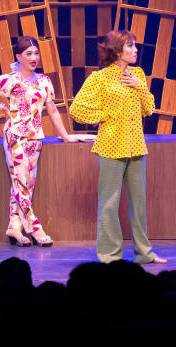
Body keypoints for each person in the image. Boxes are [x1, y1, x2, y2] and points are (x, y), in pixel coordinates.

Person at [70, 30, 166, 264]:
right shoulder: (100, 78)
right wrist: (104, 115)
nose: (135, 50)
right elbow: (77, 109)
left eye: (135, 45)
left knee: (139, 204)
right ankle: (110, 256)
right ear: (116, 50)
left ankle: (144, 254)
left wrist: (140, 87)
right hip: (111, 146)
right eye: (130, 45)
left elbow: (149, 109)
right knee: (109, 203)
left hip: (136, 147)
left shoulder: (138, 74)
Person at [0, 36, 76, 247]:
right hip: (15, 136)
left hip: (35, 136)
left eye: (36, 53)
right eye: (28, 53)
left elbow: (52, 110)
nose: (33, 57)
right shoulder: (9, 80)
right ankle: (35, 227)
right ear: (18, 56)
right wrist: (2, 107)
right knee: (21, 182)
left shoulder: (44, 81)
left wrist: (65, 135)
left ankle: (14, 226)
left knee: (26, 183)